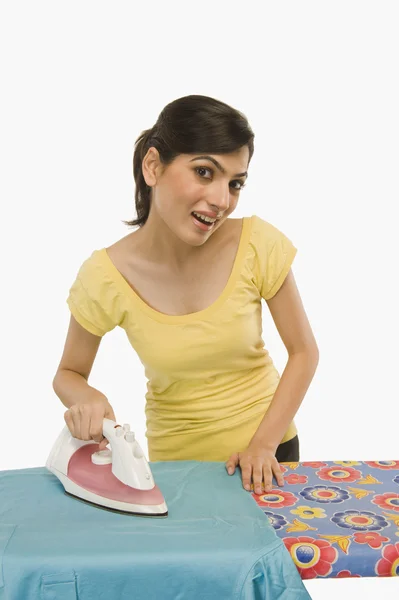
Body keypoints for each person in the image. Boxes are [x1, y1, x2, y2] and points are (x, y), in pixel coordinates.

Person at [53, 94, 319, 497]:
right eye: (204, 172)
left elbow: (304, 352)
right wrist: (89, 398)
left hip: (270, 458)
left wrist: (262, 447)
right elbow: (68, 374)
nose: (221, 200)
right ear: (153, 166)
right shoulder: (105, 276)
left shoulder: (257, 244)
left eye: (235, 183)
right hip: (177, 470)